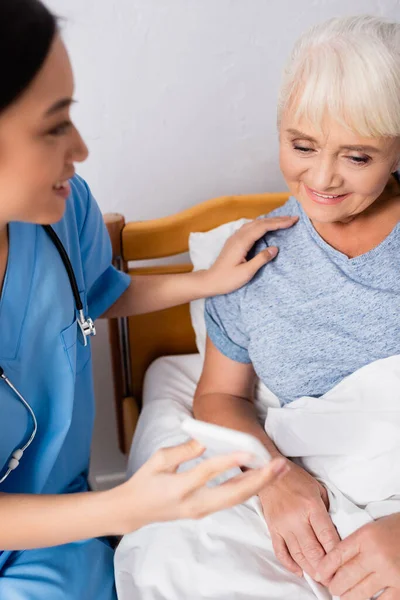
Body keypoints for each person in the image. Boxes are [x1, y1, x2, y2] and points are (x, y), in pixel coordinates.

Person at [0, 0, 293, 598]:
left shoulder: (61, 210)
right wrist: (126, 510)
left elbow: (99, 293)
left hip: (54, 536)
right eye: (54, 125)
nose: (79, 148)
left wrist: (207, 281)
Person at [117, 14, 400, 600]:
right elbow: (220, 396)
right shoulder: (255, 258)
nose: (321, 177)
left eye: (358, 157)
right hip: (314, 489)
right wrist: (275, 481)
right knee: (167, 557)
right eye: (302, 146)